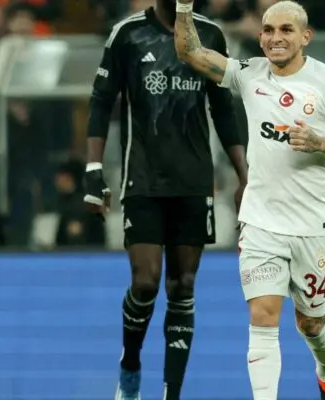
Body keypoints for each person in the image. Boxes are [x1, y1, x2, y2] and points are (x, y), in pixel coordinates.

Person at [173, 0, 325, 398]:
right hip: (261, 220)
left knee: (311, 324)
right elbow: (190, 51)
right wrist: (183, 6)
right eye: (268, 30)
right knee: (262, 316)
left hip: (312, 224)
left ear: (305, 37)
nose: (275, 38)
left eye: (285, 30)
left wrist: (321, 142)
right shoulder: (249, 73)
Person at [82, 0, 248, 398]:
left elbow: (223, 109)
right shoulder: (127, 35)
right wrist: (93, 169)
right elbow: (101, 100)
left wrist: (246, 176)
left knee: (183, 285)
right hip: (143, 178)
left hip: (194, 181)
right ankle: (130, 366)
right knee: (145, 282)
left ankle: (172, 393)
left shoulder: (210, 35)